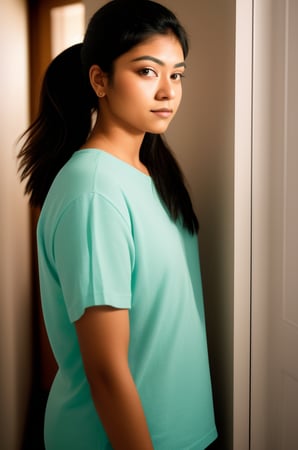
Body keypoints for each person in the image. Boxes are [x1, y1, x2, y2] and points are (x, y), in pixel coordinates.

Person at [18, 0, 217, 448]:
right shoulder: (93, 190)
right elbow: (106, 371)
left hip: (180, 430)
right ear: (100, 80)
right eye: (147, 71)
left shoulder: (147, 170)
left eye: (177, 73)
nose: (168, 91)